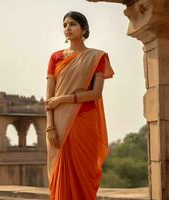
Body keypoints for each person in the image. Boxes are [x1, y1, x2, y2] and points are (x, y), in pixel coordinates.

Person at [45, 11, 115, 199]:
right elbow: (48, 98)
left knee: (85, 174)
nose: (67, 28)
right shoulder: (55, 58)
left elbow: (95, 93)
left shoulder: (97, 57)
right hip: (59, 124)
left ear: (83, 29)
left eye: (73, 24)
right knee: (62, 175)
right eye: (65, 24)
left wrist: (63, 99)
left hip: (85, 121)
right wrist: (50, 126)